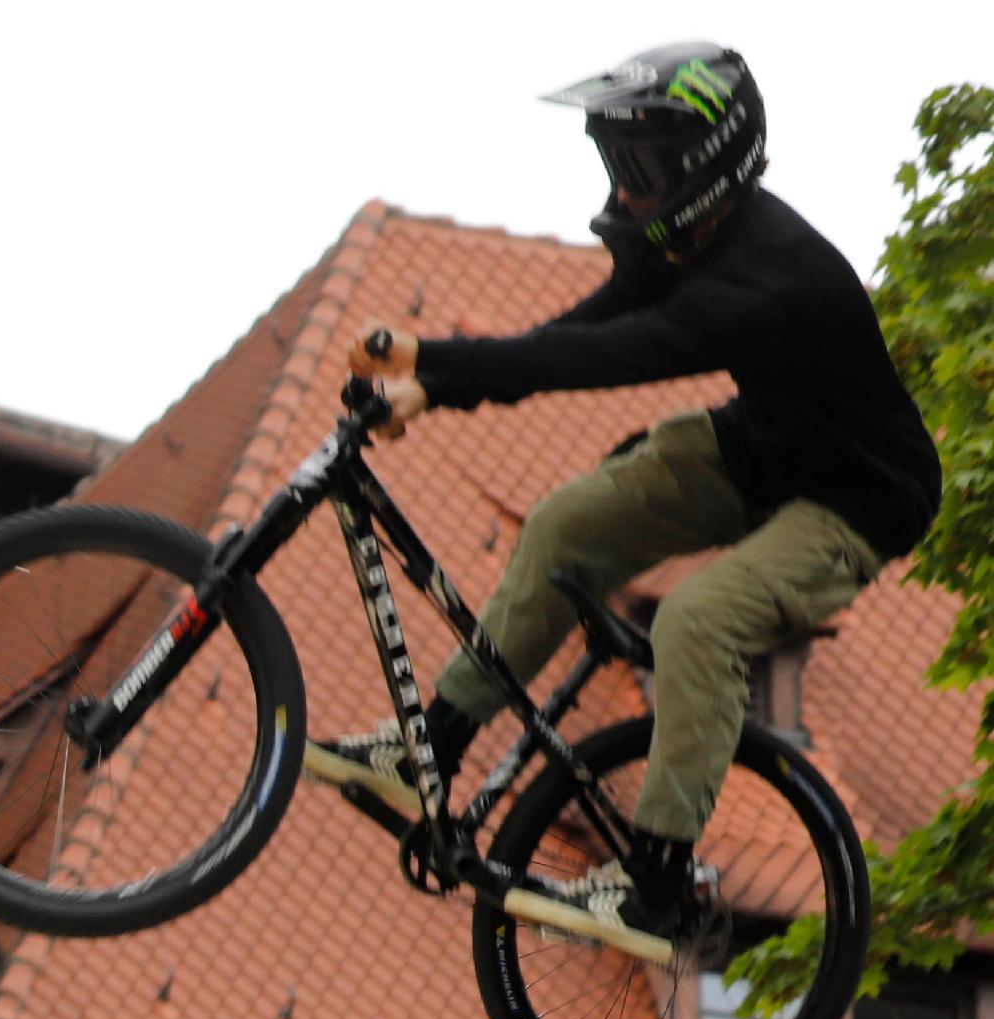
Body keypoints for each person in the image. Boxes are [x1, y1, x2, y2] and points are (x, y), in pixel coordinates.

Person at [305, 42, 942, 932]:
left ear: (706, 167)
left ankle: (658, 882)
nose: (625, 189)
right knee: (567, 524)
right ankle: (427, 751)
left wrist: (441, 364)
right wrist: (432, 385)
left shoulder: (771, 283)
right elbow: (592, 323)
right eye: (617, 165)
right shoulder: (687, 234)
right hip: (760, 450)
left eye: (640, 168)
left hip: (858, 501)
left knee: (696, 621)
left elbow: (605, 358)